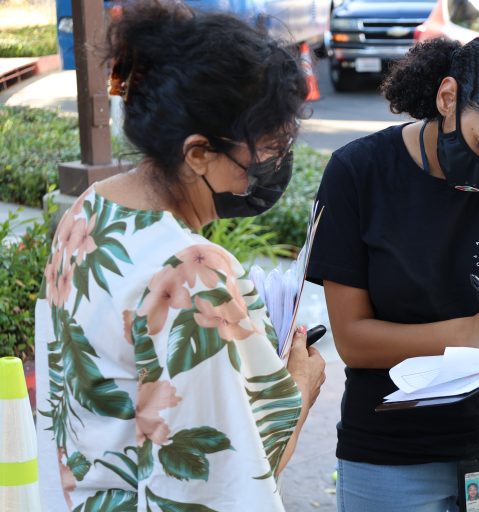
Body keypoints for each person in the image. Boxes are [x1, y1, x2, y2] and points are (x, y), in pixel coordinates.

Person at [34, 2, 325, 510]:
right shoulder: (193, 273)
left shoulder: (88, 210)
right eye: (266, 149)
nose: (272, 166)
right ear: (197, 154)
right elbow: (222, 484)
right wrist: (300, 386)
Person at [307, 32, 479, 512]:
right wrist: (470, 331)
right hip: (391, 450)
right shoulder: (358, 173)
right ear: (448, 98)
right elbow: (354, 341)